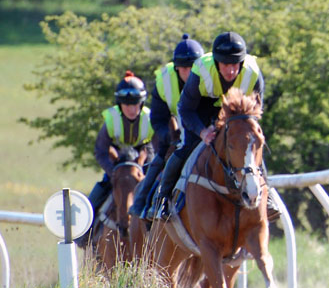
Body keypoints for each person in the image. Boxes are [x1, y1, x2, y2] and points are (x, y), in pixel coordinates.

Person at [150, 31, 279, 220]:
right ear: (217, 62)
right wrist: (202, 132)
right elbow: (185, 109)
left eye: (235, 64)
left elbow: (255, 112)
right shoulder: (201, 70)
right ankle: (162, 199)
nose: (231, 70)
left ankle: (268, 199)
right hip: (199, 109)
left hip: (234, 112)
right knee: (186, 147)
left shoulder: (252, 72)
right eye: (225, 64)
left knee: (249, 147)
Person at [130, 34, 204, 220]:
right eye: (184, 68)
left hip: (206, 128)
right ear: (177, 67)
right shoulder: (164, 81)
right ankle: (147, 203)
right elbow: (158, 119)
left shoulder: (210, 76)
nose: (189, 73)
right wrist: (170, 137)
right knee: (160, 159)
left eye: (193, 68)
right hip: (178, 134)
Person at [77, 71, 155, 247]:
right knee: (97, 194)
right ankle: (85, 235)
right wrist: (113, 172)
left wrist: (144, 168)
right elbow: (100, 151)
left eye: (135, 104)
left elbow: (154, 148)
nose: (131, 109)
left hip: (141, 166)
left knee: (157, 194)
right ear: (120, 104)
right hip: (117, 166)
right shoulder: (111, 120)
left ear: (141, 103)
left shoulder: (150, 119)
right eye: (127, 105)